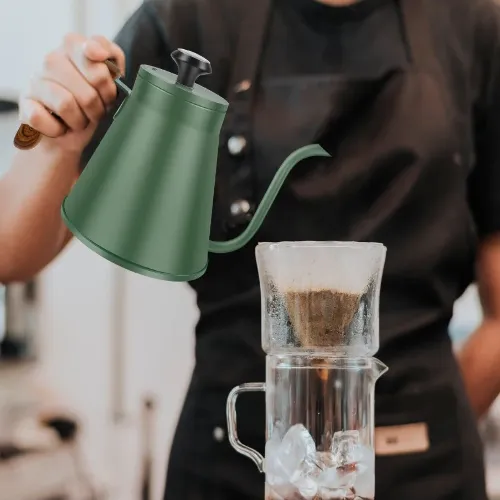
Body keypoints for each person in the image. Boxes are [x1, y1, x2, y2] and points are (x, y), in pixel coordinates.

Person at [3, 0, 500, 498]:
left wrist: (425, 422)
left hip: (425, 468)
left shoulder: (477, 24)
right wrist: (47, 140)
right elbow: (8, 253)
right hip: (230, 459)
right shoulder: (189, 14)